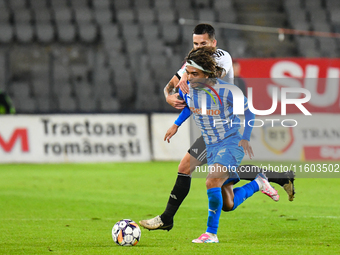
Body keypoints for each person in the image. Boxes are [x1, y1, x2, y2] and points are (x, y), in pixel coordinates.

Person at [140, 24, 294, 232]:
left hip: (224, 129)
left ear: (213, 43)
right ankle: (266, 179)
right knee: (228, 202)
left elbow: (202, 85)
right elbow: (173, 88)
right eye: (195, 44)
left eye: (203, 43)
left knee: (189, 168)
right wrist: (168, 96)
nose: (198, 47)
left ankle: (171, 219)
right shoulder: (193, 62)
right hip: (210, 129)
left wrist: (187, 75)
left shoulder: (221, 58)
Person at [174, 47, 279, 243]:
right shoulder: (189, 88)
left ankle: (211, 234)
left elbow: (250, 112)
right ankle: (259, 182)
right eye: (187, 72)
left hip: (231, 143)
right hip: (212, 146)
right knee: (228, 204)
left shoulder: (226, 90)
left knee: (211, 181)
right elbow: (188, 106)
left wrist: (245, 138)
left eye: (193, 73)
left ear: (206, 74)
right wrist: (176, 125)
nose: (188, 77)